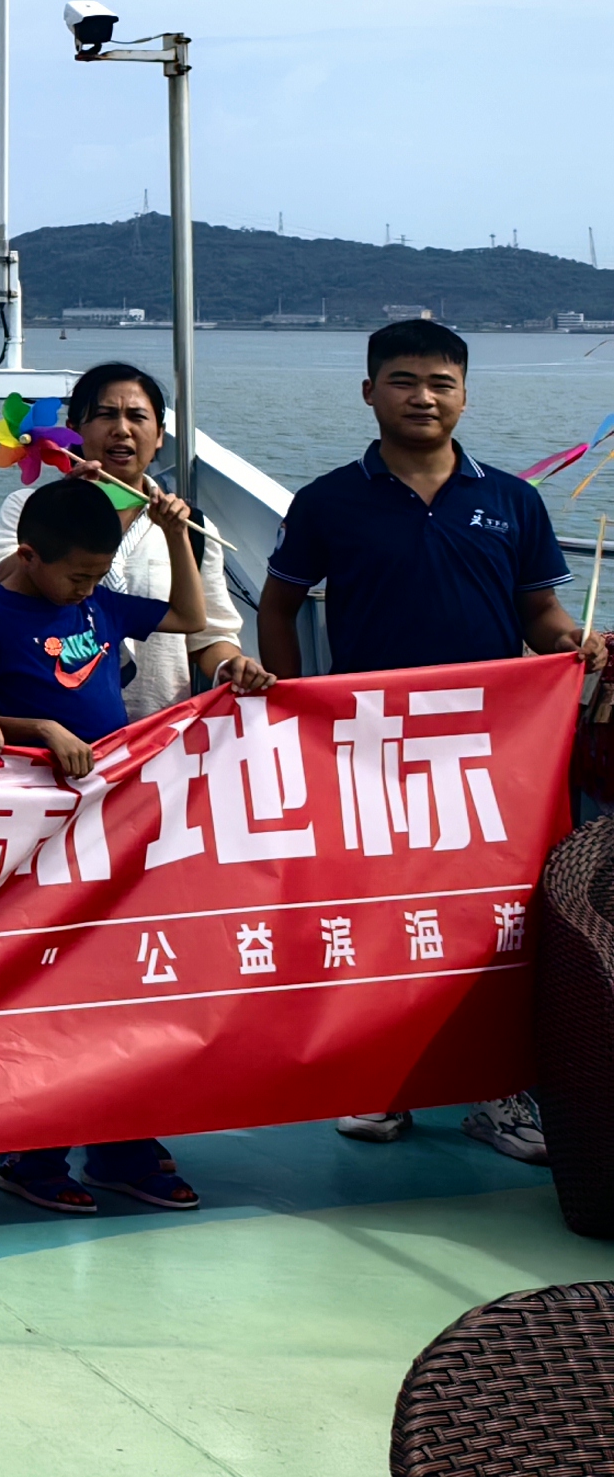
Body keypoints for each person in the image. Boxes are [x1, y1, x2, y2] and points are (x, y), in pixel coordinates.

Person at [262, 318, 608, 1165]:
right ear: (370, 391)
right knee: (379, 913)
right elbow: (279, 603)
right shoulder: (327, 501)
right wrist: (289, 707)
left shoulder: (513, 502)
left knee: (494, 915)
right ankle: (383, 1079)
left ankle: (496, 1089)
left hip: (491, 753)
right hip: (369, 748)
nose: (423, 397)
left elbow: (540, 613)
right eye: (405, 380)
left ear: (464, 396)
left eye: (441, 383)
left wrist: (573, 642)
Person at [0, 475, 214, 1222]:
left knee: (118, 983)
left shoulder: (98, 603)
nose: (87, 588)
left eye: (97, 575)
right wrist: (43, 730)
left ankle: (119, 1142)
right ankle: (33, 1153)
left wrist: (175, 534)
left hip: (112, 818)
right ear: (29, 556)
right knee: (47, 990)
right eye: (77, 575)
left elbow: (189, 616)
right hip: (37, 830)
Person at [0, 363, 265, 718]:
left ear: (159, 435)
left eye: (137, 417)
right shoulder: (27, 509)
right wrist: (65, 510)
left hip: (159, 731)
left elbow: (209, 633)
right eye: (105, 415)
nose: (122, 429)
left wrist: (230, 667)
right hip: (47, 732)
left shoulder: (189, 527)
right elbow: (2, 584)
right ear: (73, 430)